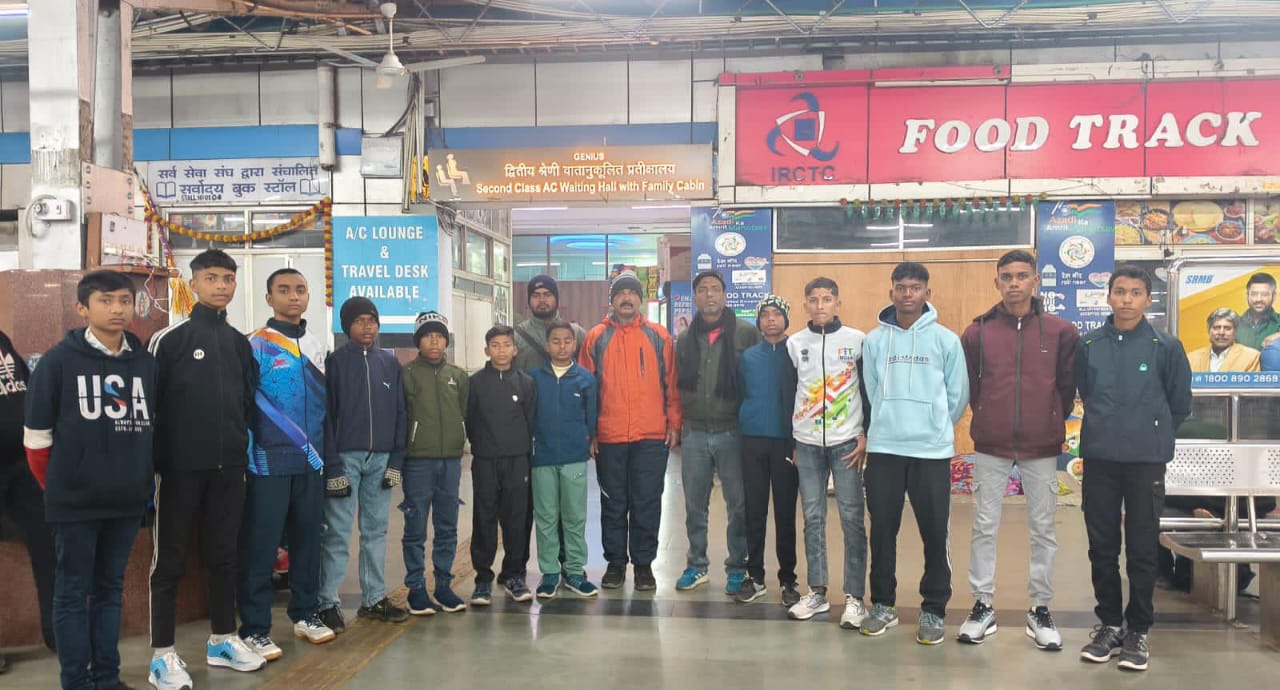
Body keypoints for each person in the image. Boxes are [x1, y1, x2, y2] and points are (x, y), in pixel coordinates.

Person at [23, 270, 156, 690]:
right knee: (71, 594)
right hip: (74, 504)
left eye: (124, 301)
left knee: (109, 591)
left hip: (126, 502)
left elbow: (152, 430)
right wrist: (62, 489)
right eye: (105, 300)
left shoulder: (145, 364)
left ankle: (107, 678)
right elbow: (36, 440)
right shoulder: (58, 362)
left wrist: (140, 485)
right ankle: (76, 682)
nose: (117, 309)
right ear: (82, 308)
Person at [147, 249, 265, 688]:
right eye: (212, 277)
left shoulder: (239, 343)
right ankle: (162, 654)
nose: (221, 286)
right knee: (169, 562)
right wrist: (153, 468)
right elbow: (149, 409)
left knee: (224, 556)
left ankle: (223, 639)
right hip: (179, 471)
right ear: (193, 283)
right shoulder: (169, 341)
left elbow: (246, 405)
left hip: (229, 469)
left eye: (228, 279)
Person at [957, 250, 1079, 650]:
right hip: (990, 444)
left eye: (1021, 276)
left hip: (1041, 445)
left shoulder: (1061, 332)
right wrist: (989, 415)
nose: (1014, 283)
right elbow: (973, 386)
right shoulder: (977, 332)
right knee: (984, 525)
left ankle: (1040, 608)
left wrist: (1049, 419)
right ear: (997, 282)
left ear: (1035, 280)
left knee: (1043, 529)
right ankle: (982, 605)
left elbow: (1066, 386)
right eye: (1006, 276)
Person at [1076, 264, 1191, 672]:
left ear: (1147, 299)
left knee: (1142, 548)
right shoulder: (1089, 344)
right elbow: (1085, 391)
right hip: (1100, 459)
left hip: (1146, 461)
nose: (1127, 299)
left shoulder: (1166, 346)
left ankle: (1138, 629)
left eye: (1135, 292)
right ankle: (1109, 624)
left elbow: (1180, 404)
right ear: (1108, 296)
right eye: (1120, 291)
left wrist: (1150, 432)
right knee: (1101, 546)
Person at [862, 261, 969, 645]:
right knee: (882, 531)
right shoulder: (875, 340)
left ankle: (934, 609)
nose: (908, 294)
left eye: (915, 287)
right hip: (885, 448)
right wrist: (888, 421)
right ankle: (883, 605)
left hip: (931, 451)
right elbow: (872, 389)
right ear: (891, 291)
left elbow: (957, 394)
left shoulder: (946, 340)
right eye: (901, 287)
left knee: (934, 532)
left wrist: (935, 425)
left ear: (927, 293)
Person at [237, 269, 333, 662]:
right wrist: (247, 457)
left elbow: (326, 407)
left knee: (308, 542)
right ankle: (255, 628)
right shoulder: (255, 344)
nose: (293, 297)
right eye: (284, 290)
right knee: (261, 547)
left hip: (311, 463)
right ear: (269, 298)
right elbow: (243, 405)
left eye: (300, 290)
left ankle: (305, 613)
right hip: (266, 464)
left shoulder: (316, 345)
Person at [579, 271, 681, 592]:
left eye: (632, 293)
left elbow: (672, 385)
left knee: (647, 501)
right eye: (620, 293)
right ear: (612, 300)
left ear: (640, 299)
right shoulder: (596, 337)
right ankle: (615, 564)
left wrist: (674, 424)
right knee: (613, 503)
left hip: (651, 436)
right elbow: (586, 388)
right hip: (609, 436)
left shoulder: (659, 336)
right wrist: (590, 432)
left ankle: (643, 565)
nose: (626, 298)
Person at [317, 297, 410, 633]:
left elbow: (400, 412)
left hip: (381, 459)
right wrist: (333, 467)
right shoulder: (335, 363)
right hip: (346, 459)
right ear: (346, 326)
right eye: (359, 321)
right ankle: (327, 603)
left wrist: (396, 460)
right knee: (338, 533)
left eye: (372, 320)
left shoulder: (390, 363)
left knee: (376, 531)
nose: (367, 327)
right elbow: (326, 416)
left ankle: (373, 599)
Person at [783, 278, 872, 628]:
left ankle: (855, 597)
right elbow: (789, 392)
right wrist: (791, 441)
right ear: (805, 305)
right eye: (814, 300)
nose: (820, 305)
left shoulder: (857, 340)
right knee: (813, 518)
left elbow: (868, 391)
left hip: (847, 443)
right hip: (806, 443)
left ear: (837, 303)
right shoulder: (795, 344)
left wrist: (866, 434)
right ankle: (817, 591)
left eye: (826, 299)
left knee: (852, 518)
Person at [674, 270, 759, 595]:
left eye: (714, 289)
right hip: (694, 431)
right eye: (702, 290)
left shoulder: (746, 333)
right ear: (695, 297)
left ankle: (737, 566)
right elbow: (677, 385)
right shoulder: (685, 338)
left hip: (732, 431)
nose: (709, 295)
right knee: (695, 505)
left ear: (724, 295)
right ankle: (696, 565)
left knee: (738, 505)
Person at [512, 275, 585, 581]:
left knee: (569, 508)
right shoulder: (517, 336)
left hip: (567, 436)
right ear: (529, 300)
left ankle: (570, 564)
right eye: (536, 294)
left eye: (547, 294)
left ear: (557, 299)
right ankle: (523, 567)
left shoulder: (577, 333)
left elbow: (586, 378)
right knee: (532, 507)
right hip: (529, 434)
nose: (542, 299)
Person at [401, 311, 470, 615]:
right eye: (428, 336)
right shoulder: (406, 374)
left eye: (440, 336)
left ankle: (443, 586)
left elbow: (465, 412)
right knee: (415, 527)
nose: (434, 341)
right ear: (418, 341)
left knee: (447, 526)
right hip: (418, 462)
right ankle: (416, 588)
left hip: (451, 462)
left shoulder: (458, 376)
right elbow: (401, 415)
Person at [735, 295, 800, 607]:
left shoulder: (796, 354)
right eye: (765, 314)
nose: (770, 319)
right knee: (754, 511)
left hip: (786, 443)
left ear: (786, 319)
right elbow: (739, 394)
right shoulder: (748, 357)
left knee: (785, 513)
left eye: (776, 314)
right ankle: (755, 576)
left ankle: (788, 579)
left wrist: (797, 442)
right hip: (752, 441)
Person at [466, 324, 537, 605]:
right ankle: (482, 578)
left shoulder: (526, 383)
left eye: (506, 345)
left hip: (517, 461)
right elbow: (471, 421)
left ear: (515, 349)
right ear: (486, 350)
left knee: (516, 519)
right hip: (485, 460)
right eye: (495, 346)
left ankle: (514, 575)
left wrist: (519, 448)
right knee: (483, 517)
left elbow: (530, 420)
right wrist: (483, 446)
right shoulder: (475, 383)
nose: (501, 351)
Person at [529, 320, 600, 599]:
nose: (562, 346)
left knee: (574, 516)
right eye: (556, 341)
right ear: (547, 346)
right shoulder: (534, 378)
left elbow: (591, 416)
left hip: (574, 457)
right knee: (546, 517)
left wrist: (590, 441)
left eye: (567, 341)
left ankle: (574, 572)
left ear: (575, 344)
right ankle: (549, 573)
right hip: (542, 458)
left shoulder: (585, 379)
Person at [0, 328, 57, 673]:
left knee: (48, 540)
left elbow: (26, 387)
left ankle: (59, 634)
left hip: (20, 464)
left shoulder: (2, 340)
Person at [1186, 308, 1260, 373]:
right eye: (1216, 327)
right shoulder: (1192, 358)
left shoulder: (1251, 357)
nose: (1221, 333)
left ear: (1236, 332)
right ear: (1208, 331)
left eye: (1227, 328)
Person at [1237, 272, 1280, 350]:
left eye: (1264, 294)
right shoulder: (1234, 324)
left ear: (1274, 296)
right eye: (1254, 294)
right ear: (1247, 296)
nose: (1258, 299)